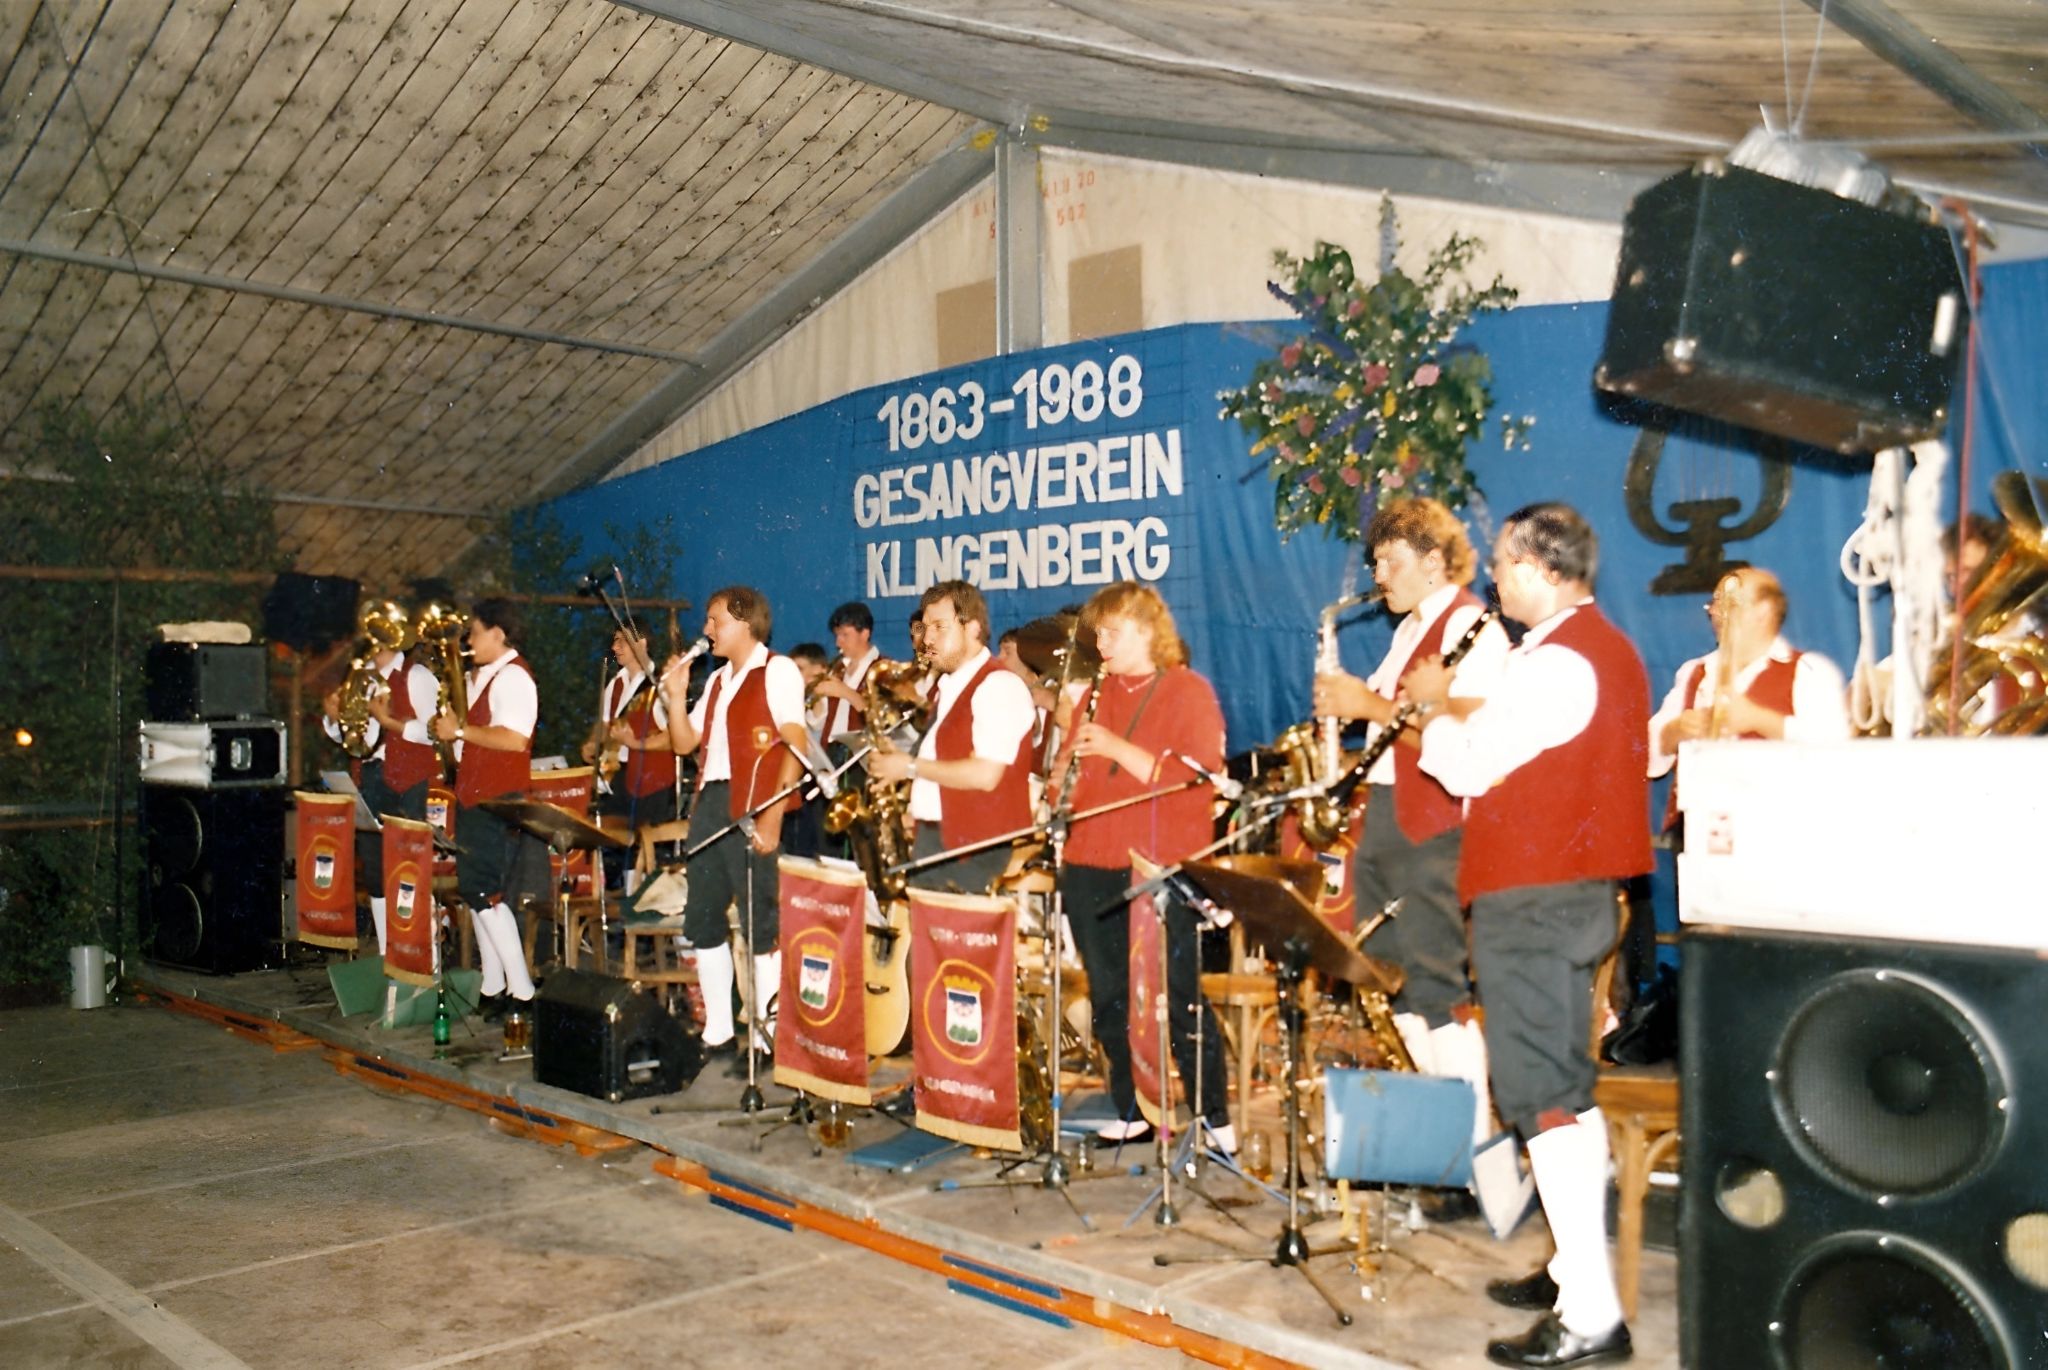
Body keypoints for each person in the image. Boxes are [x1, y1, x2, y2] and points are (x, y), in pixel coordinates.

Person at [1403, 503, 1651, 1369]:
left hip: (1535, 904)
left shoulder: (1556, 665)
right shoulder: (1597, 651)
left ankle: (1591, 1318)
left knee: (1543, 1103)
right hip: (1562, 897)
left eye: (1505, 566)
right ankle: (1576, 1281)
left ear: (1545, 566)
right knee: (1563, 1100)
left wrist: (1433, 709)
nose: (1495, 582)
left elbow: (1469, 764)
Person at [1312, 498, 1509, 1155]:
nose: (1379, 576)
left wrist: (1365, 703)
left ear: (1433, 561)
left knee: (1435, 986)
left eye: (1391, 561)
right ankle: (1437, 1141)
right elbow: (1391, 724)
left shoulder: (1476, 630)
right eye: (1374, 561)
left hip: (1435, 820)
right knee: (1391, 982)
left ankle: (1474, 1146)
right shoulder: (1408, 631)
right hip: (1388, 813)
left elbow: (1474, 728)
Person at [1049, 582, 1234, 1152]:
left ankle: (1214, 1117)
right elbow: (1069, 767)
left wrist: (1111, 748)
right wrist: (1057, 787)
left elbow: (1197, 777)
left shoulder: (1187, 690)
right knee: (1108, 993)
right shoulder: (1091, 695)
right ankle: (1131, 1106)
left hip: (1155, 865)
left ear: (1149, 631)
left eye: (1113, 631)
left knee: (1174, 994)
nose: (1101, 642)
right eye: (1098, 632)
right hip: (1087, 860)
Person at [660, 586, 809, 1068]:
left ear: (746, 623)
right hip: (713, 801)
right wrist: (677, 698)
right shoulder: (720, 680)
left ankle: (767, 1037)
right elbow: (684, 744)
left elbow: (795, 741)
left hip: (755, 799)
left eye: (714, 620)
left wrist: (772, 812)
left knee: (760, 920)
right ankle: (720, 1030)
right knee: (702, 916)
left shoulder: (778, 670)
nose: (706, 630)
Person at [866, 580, 1035, 896]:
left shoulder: (998, 685)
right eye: (925, 628)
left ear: (972, 628)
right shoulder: (951, 689)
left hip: (974, 851)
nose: (928, 639)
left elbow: (986, 774)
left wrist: (909, 767)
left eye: (939, 627)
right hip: (938, 842)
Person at [1647, 566, 1851, 823]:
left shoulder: (1810, 671)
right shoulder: (1694, 672)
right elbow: (1647, 749)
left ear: (1763, 611)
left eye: (1728, 603)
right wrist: (1675, 731)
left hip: (1782, 829)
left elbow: (1837, 751)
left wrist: (1759, 720)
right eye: (1714, 603)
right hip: (1700, 832)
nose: (1715, 612)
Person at [430, 598, 548, 1020]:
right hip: (475, 794)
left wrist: (460, 728)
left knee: (486, 892)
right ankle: (495, 985)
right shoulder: (483, 676)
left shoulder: (514, 678)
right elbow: (472, 742)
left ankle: (523, 991)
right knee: (475, 891)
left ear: (499, 633)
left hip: (497, 798)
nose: (468, 641)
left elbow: (515, 739)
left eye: (475, 632)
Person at [319, 613, 439, 952]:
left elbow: (435, 733)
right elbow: (353, 737)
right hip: (369, 776)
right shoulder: (362, 678)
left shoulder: (416, 677)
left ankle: (420, 952)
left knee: (408, 869)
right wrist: (333, 718)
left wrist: (391, 722)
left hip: (409, 780)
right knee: (374, 872)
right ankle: (389, 953)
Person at [580, 625, 678, 881]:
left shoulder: (660, 686)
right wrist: (592, 743)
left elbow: (674, 736)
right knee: (613, 843)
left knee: (645, 850)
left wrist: (636, 744)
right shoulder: (616, 684)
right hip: (618, 777)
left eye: (622, 641)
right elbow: (604, 724)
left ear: (643, 643)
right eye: (614, 641)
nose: (615, 648)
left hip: (652, 781)